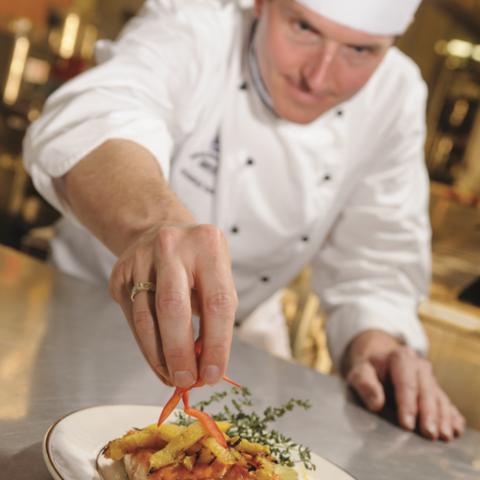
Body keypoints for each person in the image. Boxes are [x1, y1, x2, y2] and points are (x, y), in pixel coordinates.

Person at [24, 0, 466, 440]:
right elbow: (96, 116)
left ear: (401, 31)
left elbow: (376, 260)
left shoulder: (397, 92)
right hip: (87, 317)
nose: (318, 75)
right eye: (304, 28)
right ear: (263, 3)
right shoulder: (194, 27)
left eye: (360, 50)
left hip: (236, 351)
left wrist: (377, 345)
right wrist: (151, 226)